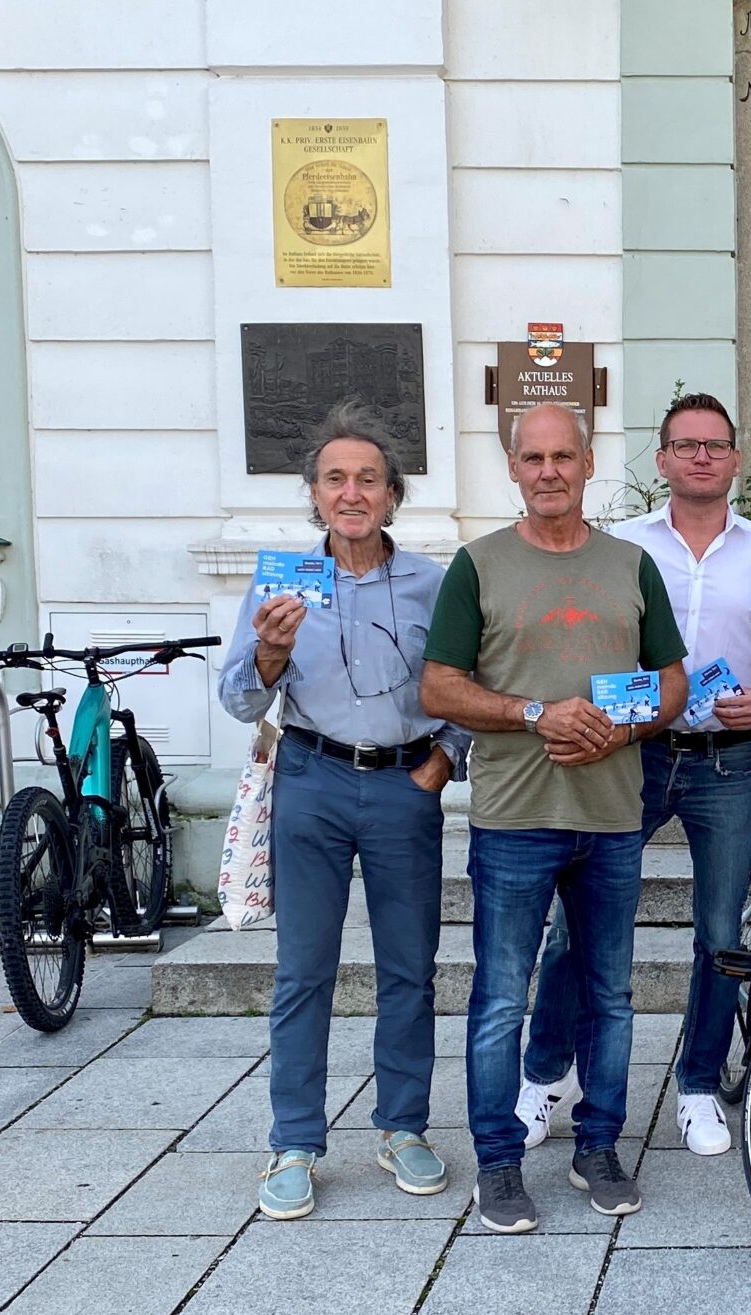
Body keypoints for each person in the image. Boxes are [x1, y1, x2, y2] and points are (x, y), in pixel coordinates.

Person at [516, 393, 751, 1159]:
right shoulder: (621, 548)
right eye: (686, 445)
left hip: (728, 764)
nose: (702, 457)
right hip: (631, 754)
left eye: (716, 445)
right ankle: (546, 1074)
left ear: (736, 460)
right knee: (571, 925)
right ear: (663, 459)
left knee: (719, 933)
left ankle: (699, 1087)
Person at [420, 401, 688, 1233]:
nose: (548, 472)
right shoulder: (479, 565)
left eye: (562, 457)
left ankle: (599, 1146)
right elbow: (439, 688)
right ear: (512, 467)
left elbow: (673, 680)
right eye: (532, 458)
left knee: (610, 994)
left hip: (612, 817)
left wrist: (629, 724)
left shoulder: (630, 564)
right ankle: (498, 1164)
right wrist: (537, 713)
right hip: (515, 817)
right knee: (502, 997)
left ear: (586, 462)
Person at [217, 401, 469, 1221]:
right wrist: (269, 653)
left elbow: (467, 682)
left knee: (408, 969)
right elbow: (234, 697)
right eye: (335, 479)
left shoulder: (436, 581)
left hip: (404, 785)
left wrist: (443, 759)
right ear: (315, 495)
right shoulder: (281, 582)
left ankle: (402, 1127)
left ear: (393, 494)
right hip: (312, 782)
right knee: (304, 972)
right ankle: (293, 1141)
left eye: (368, 478)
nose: (351, 492)